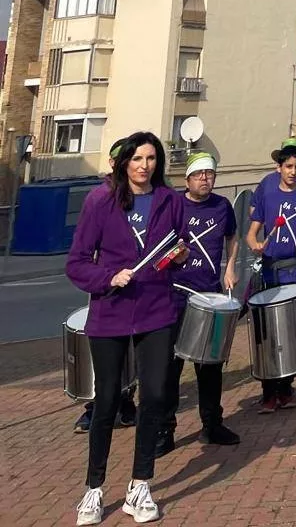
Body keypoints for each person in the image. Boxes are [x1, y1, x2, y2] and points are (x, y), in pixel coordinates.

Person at [65, 132, 188, 526]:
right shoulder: (101, 200)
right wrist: (107, 278)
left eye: (151, 158)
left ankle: (140, 485)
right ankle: (94, 489)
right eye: (137, 158)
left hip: (156, 311)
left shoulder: (170, 200)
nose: (144, 165)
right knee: (106, 404)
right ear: (124, 162)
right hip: (111, 312)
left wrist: (177, 257)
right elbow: (77, 263)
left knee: (154, 396)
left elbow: (174, 254)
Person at [158, 152, 241, 457]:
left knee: (210, 366)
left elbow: (233, 237)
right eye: (199, 174)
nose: (206, 178)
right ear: (187, 179)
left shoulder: (222, 206)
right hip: (176, 295)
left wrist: (230, 266)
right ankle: (165, 429)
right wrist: (171, 257)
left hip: (210, 294)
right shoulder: (173, 204)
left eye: (210, 174)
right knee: (171, 367)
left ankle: (212, 424)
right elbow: (157, 247)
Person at [245, 139, 296, 412]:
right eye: (288, 166)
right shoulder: (268, 194)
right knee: (268, 333)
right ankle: (268, 393)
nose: (293, 171)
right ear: (278, 167)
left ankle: (286, 390)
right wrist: (255, 245)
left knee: (289, 331)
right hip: (271, 270)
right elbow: (252, 233)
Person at [75, 139, 138, 435]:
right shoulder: (99, 198)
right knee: (105, 357)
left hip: (136, 289)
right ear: (114, 163)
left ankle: (127, 402)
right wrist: (103, 277)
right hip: (106, 289)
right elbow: (82, 255)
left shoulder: (143, 195)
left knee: (132, 352)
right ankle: (96, 408)